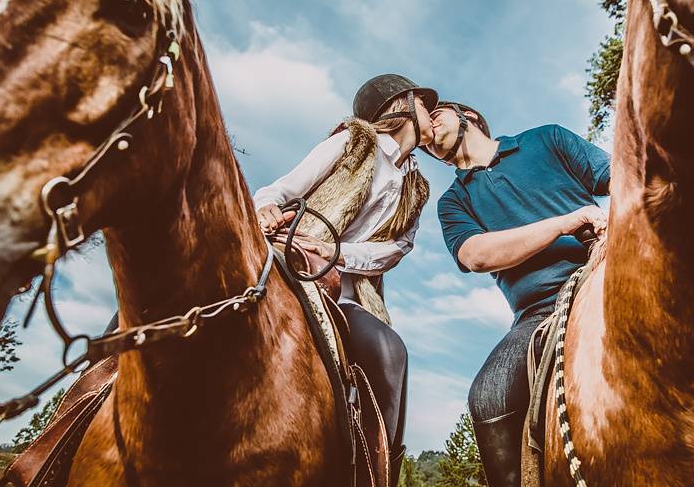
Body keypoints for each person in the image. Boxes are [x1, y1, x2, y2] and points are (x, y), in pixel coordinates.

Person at [253, 74, 437, 485]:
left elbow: (393, 251)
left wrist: (337, 254)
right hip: (291, 267)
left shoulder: (416, 189)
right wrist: (265, 209)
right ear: (402, 105)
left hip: (349, 296)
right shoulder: (350, 142)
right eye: (424, 103)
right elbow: (278, 190)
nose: (431, 112)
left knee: (391, 352)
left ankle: (376, 472)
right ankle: (95, 391)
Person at [426, 102, 610, 487]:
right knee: (487, 398)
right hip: (539, 311)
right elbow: (476, 255)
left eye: (436, 112)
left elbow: (621, 176)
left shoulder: (548, 138)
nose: (426, 124)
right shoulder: (453, 203)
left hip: (607, 270)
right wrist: (565, 222)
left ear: (468, 116)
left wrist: (616, 220)